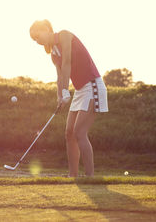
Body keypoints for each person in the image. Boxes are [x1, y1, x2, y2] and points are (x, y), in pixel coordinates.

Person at [29, 19, 108, 177]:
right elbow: (60, 76)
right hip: (80, 91)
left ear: (46, 28)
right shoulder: (53, 54)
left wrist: (66, 90)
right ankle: (73, 176)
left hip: (92, 86)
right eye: (34, 39)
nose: (37, 41)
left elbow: (67, 64)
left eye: (38, 36)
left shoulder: (64, 35)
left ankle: (90, 176)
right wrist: (60, 96)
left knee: (79, 132)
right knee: (69, 133)